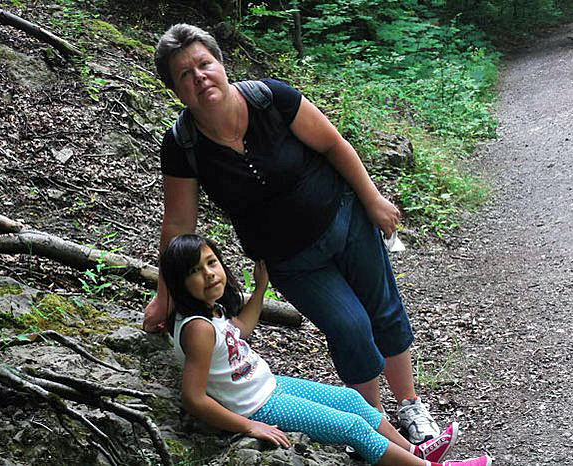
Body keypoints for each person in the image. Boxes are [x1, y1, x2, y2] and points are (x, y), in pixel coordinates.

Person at [145, 22, 436, 443]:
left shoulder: (270, 99)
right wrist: (164, 293)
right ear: (175, 90)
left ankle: (410, 408)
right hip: (288, 259)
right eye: (184, 75)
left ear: (221, 64)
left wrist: (371, 199)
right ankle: (377, 428)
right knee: (349, 327)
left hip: (345, 219)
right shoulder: (182, 144)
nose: (199, 77)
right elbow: (178, 225)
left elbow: (333, 144)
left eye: (204, 64)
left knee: (383, 311)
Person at [159, 234, 493, 466]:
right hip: (256, 407)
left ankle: (413, 452)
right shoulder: (198, 328)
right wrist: (248, 426)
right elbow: (194, 397)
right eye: (194, 271)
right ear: (178, 281)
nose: (208, 274)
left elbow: (239, 333)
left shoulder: (210, 312)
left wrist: (259, 291)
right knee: (352, 427)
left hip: (267, 385)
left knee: (351, 400)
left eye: (211, 262)